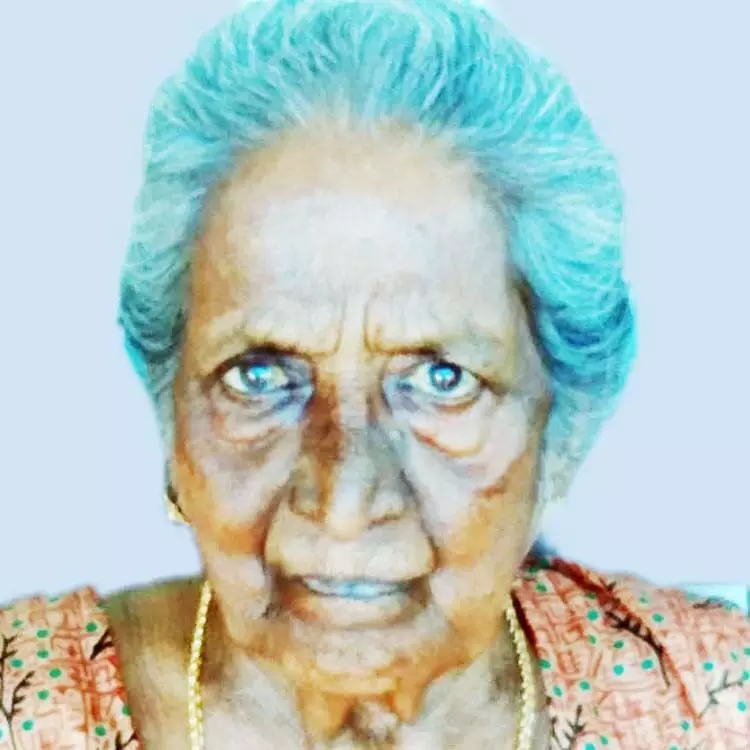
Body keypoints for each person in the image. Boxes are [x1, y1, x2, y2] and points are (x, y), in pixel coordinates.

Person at [1, 1, 748, 748]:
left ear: (562, 434)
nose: (344, 503)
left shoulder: (712, 703)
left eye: (442, 379)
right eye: (257, 376)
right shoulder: (24, 707)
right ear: (174, 427)